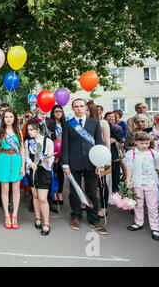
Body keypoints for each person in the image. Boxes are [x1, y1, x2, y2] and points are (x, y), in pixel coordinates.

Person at [61, 99, 108, 235]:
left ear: (86, 108)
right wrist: (65, 164)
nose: (79, 109)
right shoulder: (68, 124)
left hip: (91, 163)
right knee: (74, 192)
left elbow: (99, 142)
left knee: (92, 192)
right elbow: (65, 146)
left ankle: (93, 219)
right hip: (73, 163)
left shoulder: (94, 123)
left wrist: (100, 163)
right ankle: (75, 216)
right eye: (76, 107)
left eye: (82, 106)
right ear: (72, 108)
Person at [125, 132, 159, 241]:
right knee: (138, 204)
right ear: (136, 142)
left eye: (146, 143)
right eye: (141, 143)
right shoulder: (131, 154)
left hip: (151, 183)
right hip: (137, 182)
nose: (144, 145)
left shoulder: (154, 153)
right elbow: (130, 168)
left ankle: (155, 228)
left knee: (152, 206)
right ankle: (138, 222)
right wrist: (128, 182)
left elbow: (157, 167)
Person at [0, 108, 25, 230]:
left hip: (16, 160)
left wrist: (23, 166)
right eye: (6, 116)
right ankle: (7, 215)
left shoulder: (19, 132)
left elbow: (22, 149)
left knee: (16, 190)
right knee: (5, 189)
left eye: (11, 116)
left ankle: (15, 215)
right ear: (3, 118)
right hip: (3, 159)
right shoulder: (0, 131)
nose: (8, 119)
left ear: (14, 118)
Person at [25, 121, 54, 235]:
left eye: (31, 129)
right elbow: (26, 156)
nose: (29, 132)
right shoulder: (28, 142)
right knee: (35, 196)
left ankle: (46, 223)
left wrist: (46, 160)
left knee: (42, 198)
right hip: (33, 170)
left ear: (38, 130)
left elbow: (52, 156)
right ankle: (38, 218)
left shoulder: (48, 141)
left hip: (43, 171)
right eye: (28, 130)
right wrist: (30, 163)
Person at [86, 104, 111, 219]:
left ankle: (104, 207)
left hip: (101, 156)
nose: (83, 111)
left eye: (86, 110)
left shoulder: (102, 123)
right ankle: (88, 203)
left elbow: (106, 141)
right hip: (89, 157)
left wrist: (107, 159)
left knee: (102, 183)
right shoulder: (83, 123)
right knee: (90, 183)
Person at [48, 105, 66, 205]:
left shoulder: (65, 124)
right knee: (52, 173)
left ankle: (60, 193)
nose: (58, 113)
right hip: (52, 151)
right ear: (52, 113)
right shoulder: (49, 123)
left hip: (63, 151)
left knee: (61, 174)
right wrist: (54, 155)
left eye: (60, 111)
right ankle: (53, 192)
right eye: (56, 111)